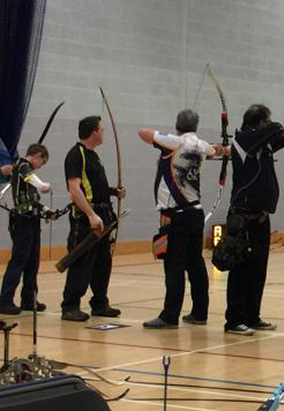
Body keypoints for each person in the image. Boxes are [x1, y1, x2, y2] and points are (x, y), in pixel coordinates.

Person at [224, 104, 284, 335]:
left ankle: (252, 317)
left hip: (261, 218)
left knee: (258, 269)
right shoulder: (243, 141)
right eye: (268, 121)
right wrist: (276, 127)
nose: (271, 124)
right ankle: (234, 320)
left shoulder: (262, 145)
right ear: (260, 122)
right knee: (241, 269)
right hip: (242, 216)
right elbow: (275, 130)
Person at [138, 109, 229, 329]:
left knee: (174, 265)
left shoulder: (174, 143)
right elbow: (217, 150)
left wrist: (167, 137)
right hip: (195, 213)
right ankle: (199, 312)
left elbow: (143, 132)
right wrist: (220, 148)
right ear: (195, 126)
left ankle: (169, 316)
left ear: (177, 125)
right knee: (195, 263)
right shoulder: (201, 145)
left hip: (176, 215)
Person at [61, 116, 126, 322]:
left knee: (102, 262)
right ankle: (70, 306)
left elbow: (93, 187)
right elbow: (74, 189)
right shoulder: (75, 155)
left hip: (103, 217)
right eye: (102, 129)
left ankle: (99, 304)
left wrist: (114, 192)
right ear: (94, 132)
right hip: (85, 220)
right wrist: (90, 214)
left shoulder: (93, 156)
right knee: (81, 261)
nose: (104, 132)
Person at [0, 144, 54, 314]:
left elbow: (32, 201)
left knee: (32, 261)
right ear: (37, 155)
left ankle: (29, 299)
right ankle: (5, 300)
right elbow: (31, 178)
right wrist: (43, 185)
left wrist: (48, 212)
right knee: (19, 260)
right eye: (42, 162)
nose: (40, 166)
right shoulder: (23, 166)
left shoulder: (27, 173)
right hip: (22, 221)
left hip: (32, 220)